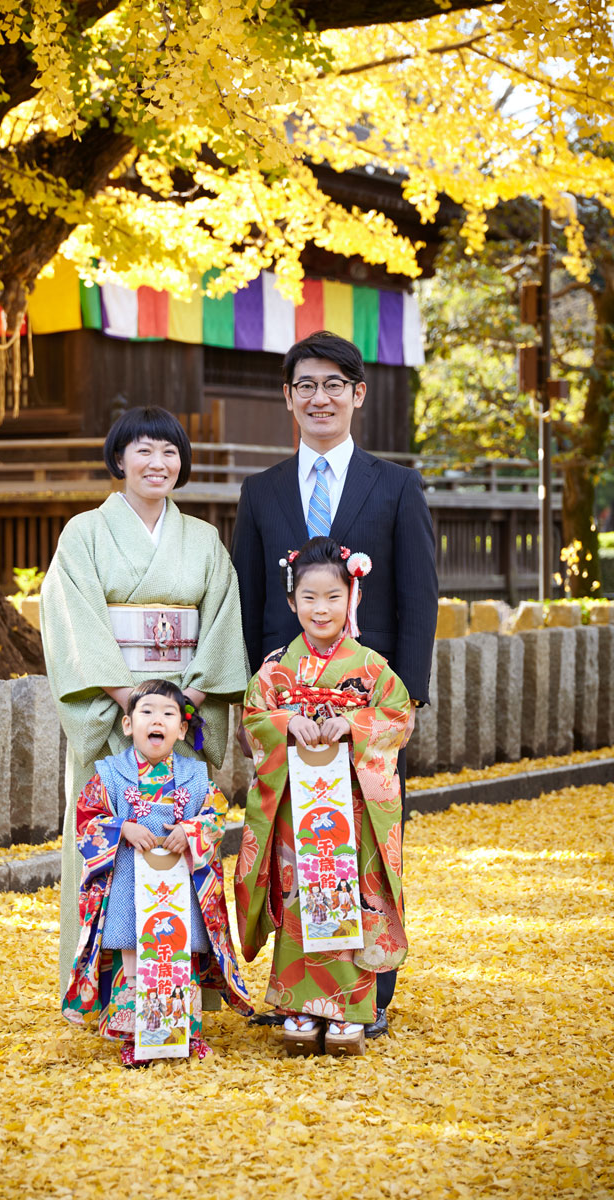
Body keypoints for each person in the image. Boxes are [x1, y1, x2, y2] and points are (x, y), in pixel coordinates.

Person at [231, 330, 438, 1033]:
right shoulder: (260, 493)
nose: (320, 398)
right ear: (288, 398)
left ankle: (370, 994)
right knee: (295, 846)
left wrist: (398, 701)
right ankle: (297, 989)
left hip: (366, 712)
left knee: (368, 848)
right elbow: (252, 596)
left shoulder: (397, 484)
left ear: (358, 394)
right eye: (306, 386)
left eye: (334, 385)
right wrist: (271, 696)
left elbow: (418, 596)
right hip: (290, 705)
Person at [41, 406, 249, 999]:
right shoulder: (84, 534)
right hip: (114, 713)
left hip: (183, 709)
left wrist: (185, 704)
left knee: (185, 835)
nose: (158, 463)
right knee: (109, 834)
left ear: (181, 464)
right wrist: (129, 703)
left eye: (170, 452)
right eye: (144, 450)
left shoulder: (204, 540)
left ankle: (182, 993)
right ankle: (110, 993)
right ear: (119, 459)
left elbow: (221, 623)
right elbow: (72, 620)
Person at [234, 537, 412, 1058]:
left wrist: (352, 724)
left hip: (351, 808)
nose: (321, 609)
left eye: (333, 597)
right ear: (291, 603)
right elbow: (252, 720)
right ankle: (296, 1004)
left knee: (346, 893)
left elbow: (397, 717)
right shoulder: (274, 669)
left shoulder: (373, 667)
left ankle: (350, 1009)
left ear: (351, 598)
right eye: (309, 598)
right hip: (296, 804)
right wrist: (289, 722)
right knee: (298, 893)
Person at [62, 680, 252, 1066]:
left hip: (179, 888)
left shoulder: (196, 776)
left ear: (182, 730)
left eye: (168, 714)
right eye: (146, 712)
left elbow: (215, 814)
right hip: (130, 887)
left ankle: (188, 1033)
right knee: (133, 957)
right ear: (128, 725)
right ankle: (134, 1035)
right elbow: (87, 820)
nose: (157, 720)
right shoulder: (110, 774)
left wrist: (192, 831)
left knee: (178, 956)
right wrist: (121, 829)